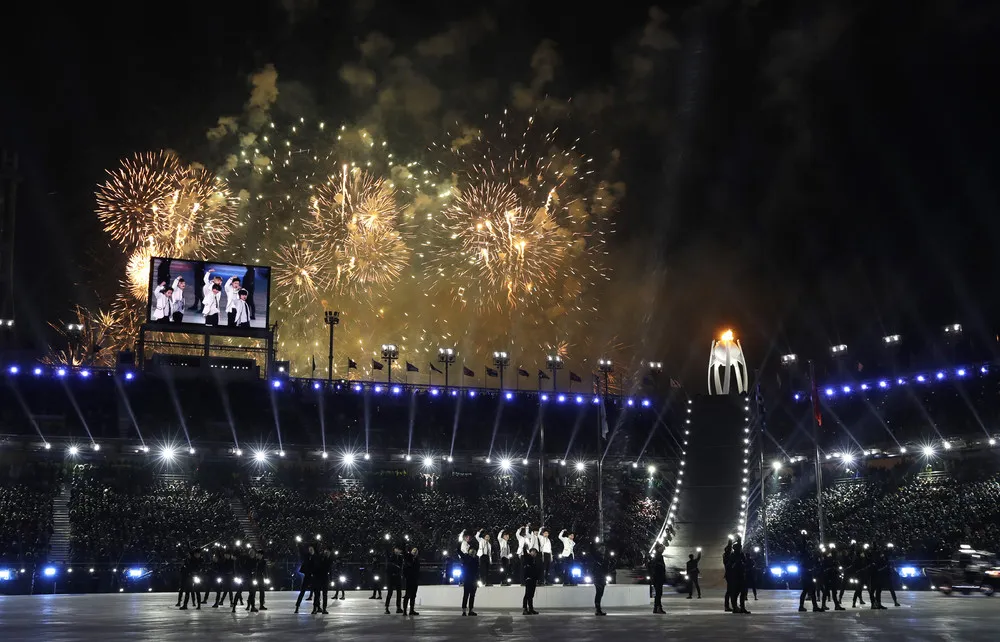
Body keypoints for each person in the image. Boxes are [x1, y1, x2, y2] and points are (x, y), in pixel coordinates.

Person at [459, 540, 480, 616]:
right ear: (469, 550)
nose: (473, 551)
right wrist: (460, 541)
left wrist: (478, 580)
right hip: (467, 579)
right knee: (466, 595)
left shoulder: (477, 558)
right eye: (471, 550)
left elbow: (477, 570)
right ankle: (464, 611)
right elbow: (458, 551)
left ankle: (470, 610)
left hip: (474, 580)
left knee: (472, 595)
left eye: (474, 550)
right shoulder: (466, 557)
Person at [295, 545, 316, 614]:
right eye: (309, 549)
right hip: (308, 576)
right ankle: (297, 607)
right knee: (302, 591)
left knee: (316, 593)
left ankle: (316, 607)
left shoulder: (316, 557)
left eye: (311, 549)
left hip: (313, 576)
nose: (310, 550)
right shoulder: (307, 557)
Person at [592, 545, 611, 616]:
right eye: (602, 548)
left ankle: (598, 609)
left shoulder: (604, 557)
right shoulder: (597, 558)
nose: (603, 550)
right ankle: (598, 609)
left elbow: (605, 568)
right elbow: (595, 568)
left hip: (602, 578)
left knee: (600, 594)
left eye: (604, 548)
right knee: (599, 593)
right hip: (598, 578)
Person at [385, 545, 404, 614]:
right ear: (395, 550)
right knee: (390, 592)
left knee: (399, 593)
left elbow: (401, 567)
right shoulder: (391, 557)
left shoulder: (400, 558)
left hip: (397, 577)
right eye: (398, 550)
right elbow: (388, 567)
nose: (399, 551)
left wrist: (399, 573)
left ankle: (398, 607)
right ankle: (387, 607)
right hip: (392, 577)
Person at [402, 547, 421, 616]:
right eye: (414, 551)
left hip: (414, 579)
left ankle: (411, 610)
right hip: (410, 579)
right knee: (408, 595)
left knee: (413, 595)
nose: (415, 552)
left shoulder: (416, 560)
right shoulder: (409, 558)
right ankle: (405, 610)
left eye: (416, 551)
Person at [312, 549, 332, 614]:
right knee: (320, 594)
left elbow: (328, 568)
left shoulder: (326, 559)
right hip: (320, 577)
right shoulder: (321, 558)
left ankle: (319, 609)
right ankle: (319, 608)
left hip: (321, 578)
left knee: (320, 594)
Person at [649, 543, 666, 614]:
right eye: (662, 548)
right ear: (658, 548)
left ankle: (656, 608)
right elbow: (658, 567)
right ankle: (658, 608)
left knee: (658, 593)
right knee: (659, 593)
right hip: (658, 577)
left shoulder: (656, 556)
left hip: (657, 577)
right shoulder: (658, 557)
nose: (663, 549)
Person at [522, 547, 540, 615]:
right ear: (531, 552)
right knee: (527, 594)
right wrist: (525, 545)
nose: (535, 554)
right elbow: (525, 553)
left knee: (531, 595)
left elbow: (535, 570)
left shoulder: (534, 560)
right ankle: (525, 609)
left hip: (533, 579)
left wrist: (536, 579)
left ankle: (531, 609)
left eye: (536, 553)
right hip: (529, 579)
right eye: (534, 552)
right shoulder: (527, 557)